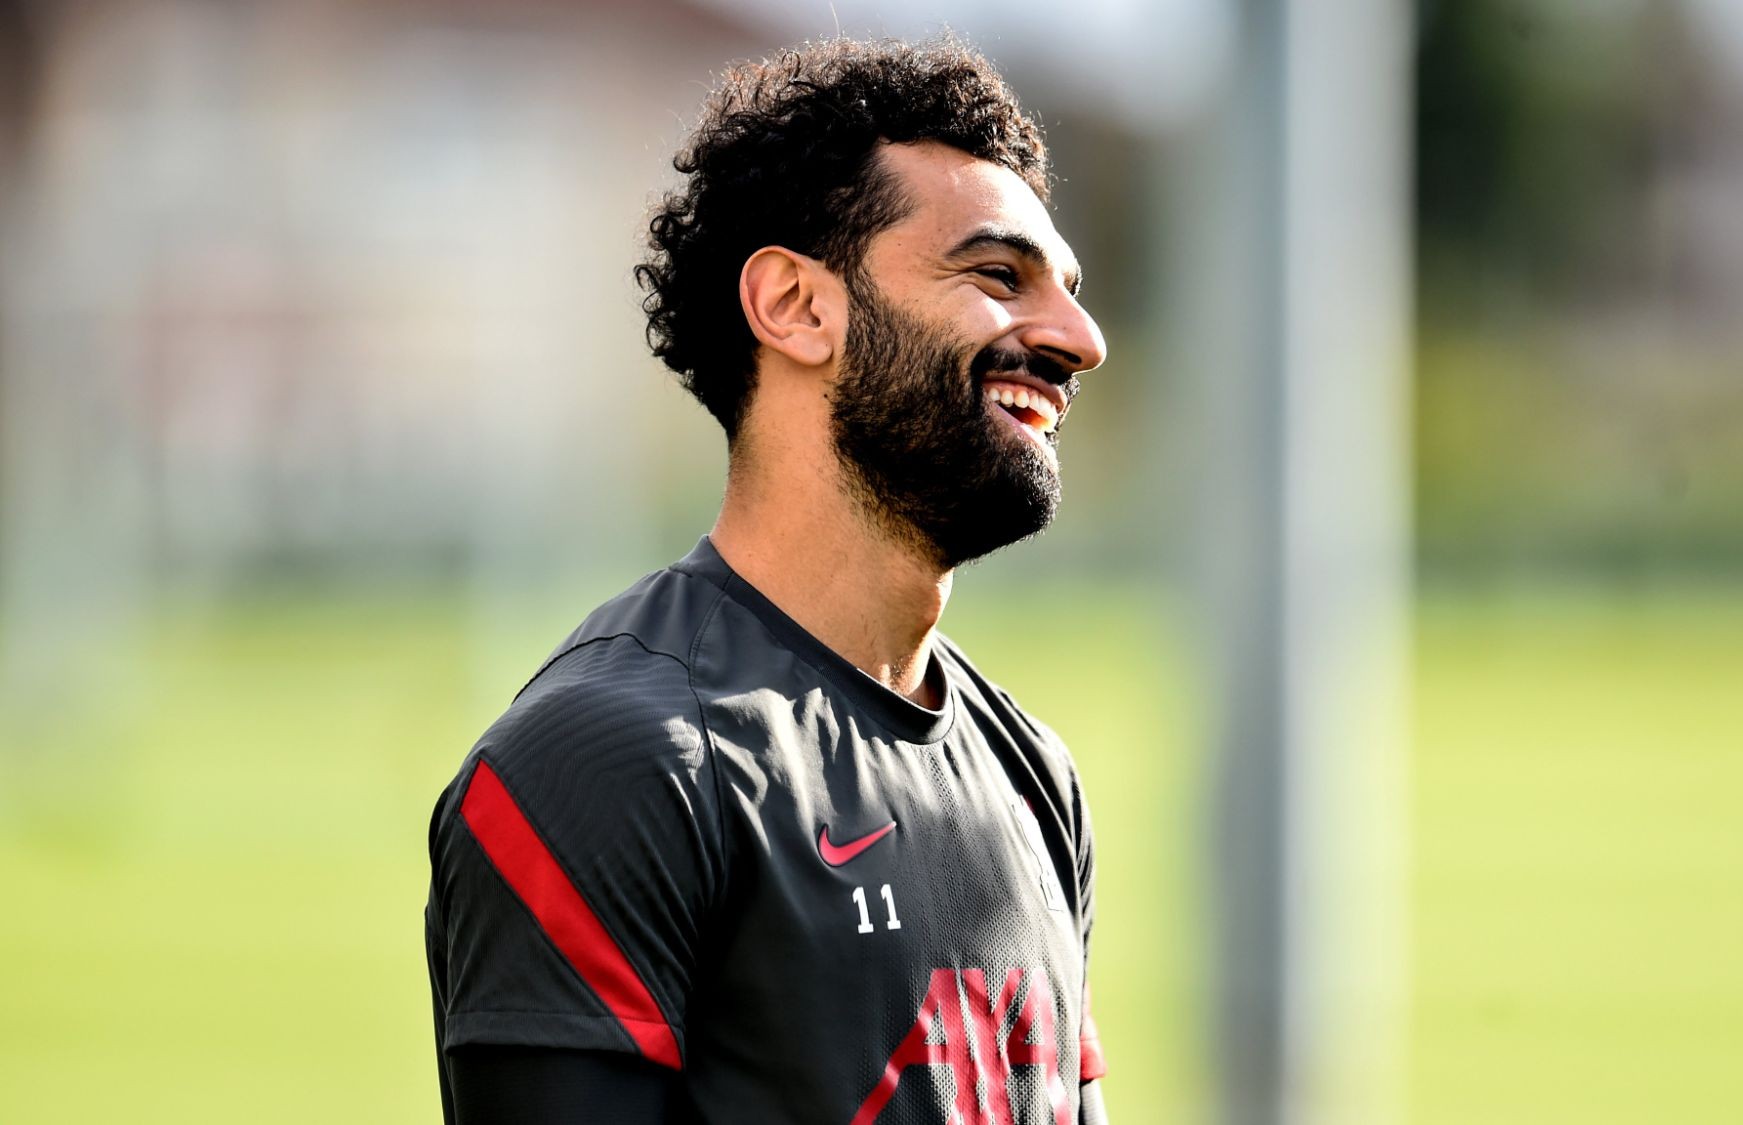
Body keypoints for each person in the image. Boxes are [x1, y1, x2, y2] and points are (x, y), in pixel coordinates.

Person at [424, 35, 1110, 1124]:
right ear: (795, 305)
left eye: (1069, 290)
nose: (1081, 339)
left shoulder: (1031, 775)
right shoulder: (611, 764)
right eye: (996, 275)